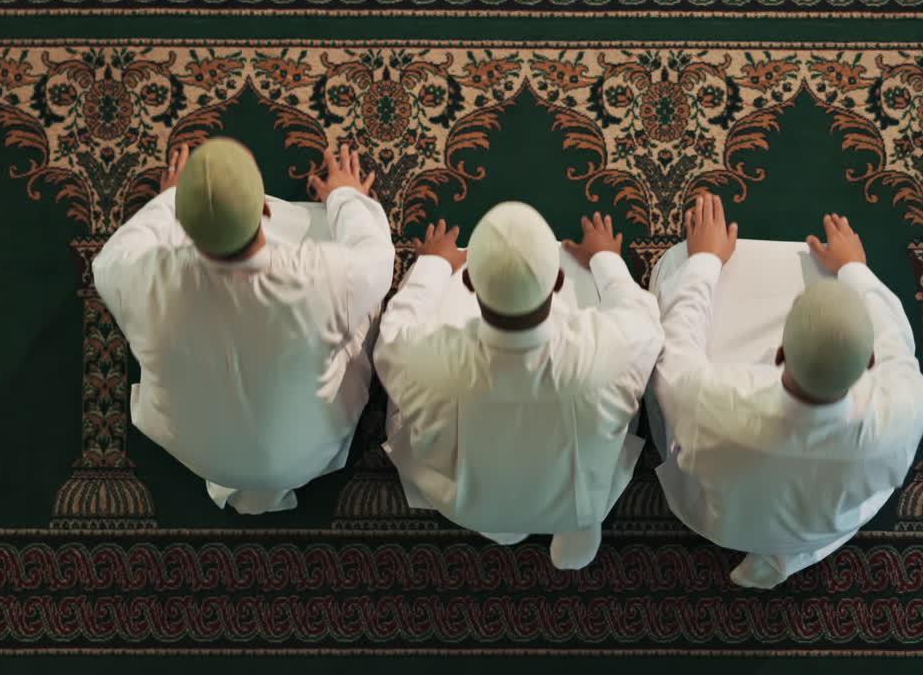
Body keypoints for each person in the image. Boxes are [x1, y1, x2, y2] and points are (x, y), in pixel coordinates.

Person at [93, 139, 394, 515]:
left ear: (181, 223)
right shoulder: (323, 277)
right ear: (266, 209)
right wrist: (346, 197)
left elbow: (121, 249)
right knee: (357, 298)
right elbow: (377, 254)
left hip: (199, 452)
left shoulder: (130, 276)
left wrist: (167, 199)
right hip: (305, 453)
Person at [650, 194, 923, 588]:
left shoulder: (712, 399)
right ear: (871, 363)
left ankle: (776, 550)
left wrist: (704, 260)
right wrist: (855, 270)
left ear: (780, 353)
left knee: (675, 268)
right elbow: (895, 338)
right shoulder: (906, 410)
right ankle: (789, 555)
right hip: (822, 527)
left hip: (725, 523)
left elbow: (678, 341)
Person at [374, 204, 662, 569]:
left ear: (469, 282)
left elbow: (396, 327)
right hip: (581, 489)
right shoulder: (608, 348)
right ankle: (577, 521)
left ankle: (502, 528)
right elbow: (643, 318)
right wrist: (606, 259)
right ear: (558, 281)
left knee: (405, 403)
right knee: (616, 406)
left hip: (470, 500)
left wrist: (432, 264)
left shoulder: (424, 361)